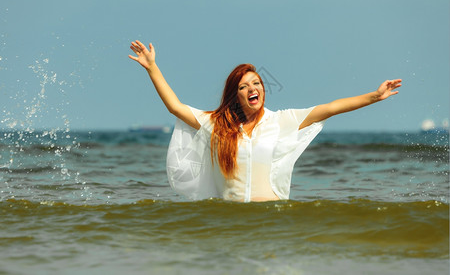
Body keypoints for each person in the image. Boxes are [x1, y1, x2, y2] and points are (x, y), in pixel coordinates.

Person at [129, 40, 402, 202]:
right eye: (244, 86)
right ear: (235, 95)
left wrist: (375, 96)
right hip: (232, 222)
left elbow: (329, 108)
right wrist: (152, 68)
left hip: (272, 220)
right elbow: (175, 107)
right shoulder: (217, 126)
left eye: (256, 83)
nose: (252, 89)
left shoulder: (281, 121)